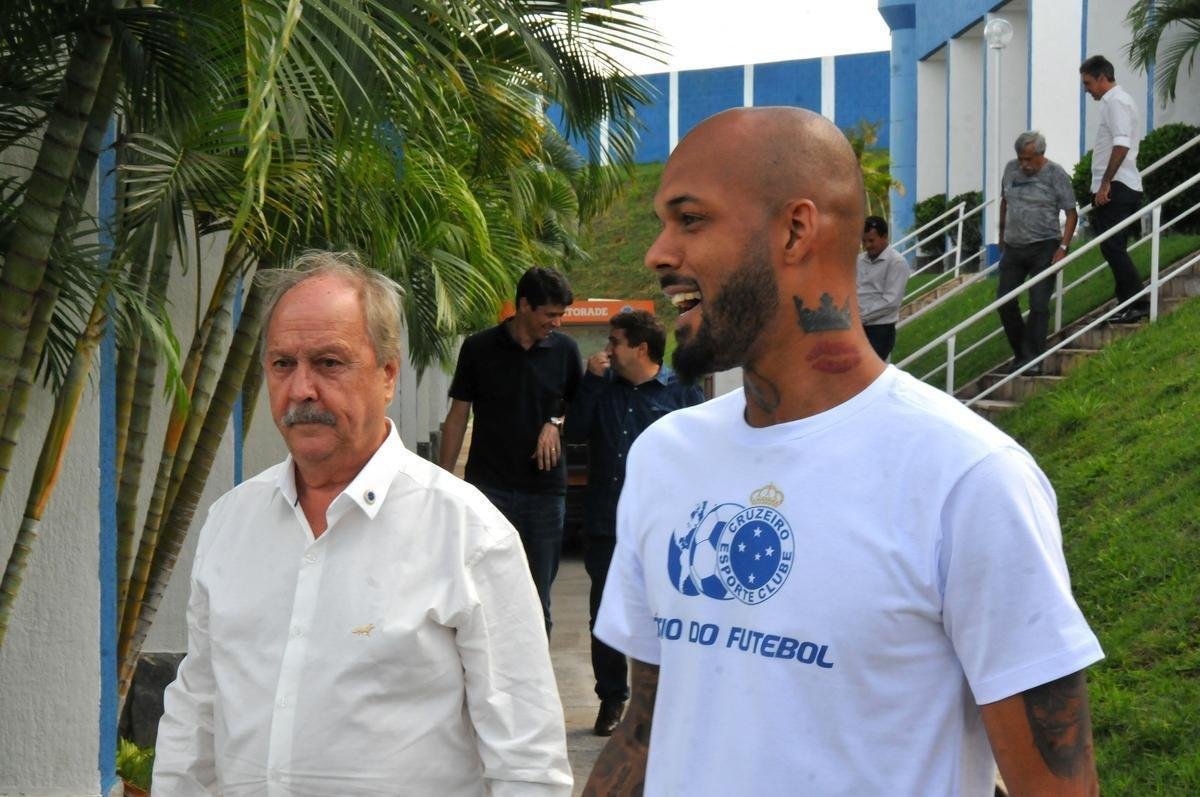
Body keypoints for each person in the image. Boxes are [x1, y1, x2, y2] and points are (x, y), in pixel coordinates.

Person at [584, 107, 1103, 796]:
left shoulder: (968, 479)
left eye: (690, 219)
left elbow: (1057, 786)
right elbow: (646, 728)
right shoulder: (665, 457)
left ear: (795, 229)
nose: (657, 252)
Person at [154, 252, 572, 796]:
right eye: (283, 364)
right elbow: (197, 711)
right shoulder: (231, 524)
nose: (301, 389)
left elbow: (527, 763)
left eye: (329, 362)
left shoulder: (468, 535)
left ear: (388, 374)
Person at [564, 310, 704, 737]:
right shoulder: (602, 388)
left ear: (641, 348)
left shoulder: (682, 393)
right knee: (605, 615)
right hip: (607, 521)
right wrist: (589, 382)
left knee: (670, 614)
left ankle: (667, 703)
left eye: (614, 342)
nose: (607, 350)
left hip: (665, 527)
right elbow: (575, 433)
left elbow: (702, 455)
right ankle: (611, 699)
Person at [439, 267, 582, 634]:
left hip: (545, 495)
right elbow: (457, 416)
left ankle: (534, 689)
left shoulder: (566, 351)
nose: (557, 322)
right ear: (523, 305)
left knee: (537, 601)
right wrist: (441, 480)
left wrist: (555, 423)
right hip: (489, 491)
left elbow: (578, 408)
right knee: (482, 596)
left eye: (560, 314)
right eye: (550, 314)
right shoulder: (479, 348)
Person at [996, 131, 1079, 374]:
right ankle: (1022, 353)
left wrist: (1063, 247)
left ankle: (1033, 359)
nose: (1024, 164)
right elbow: (1005, 202)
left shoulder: (1056, 174)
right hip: (1013, 246)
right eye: (1021, 159)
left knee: (1039, 303)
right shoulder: (1010, 170)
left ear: (1041, 155)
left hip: (1045, 245)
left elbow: (1071, 213)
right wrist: (1001, 236)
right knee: (1004, 300)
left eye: (1028, 159)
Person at [1081, 54, 1147, 323]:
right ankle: (1127, 303)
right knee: (1112, 246)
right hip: (1118, 185)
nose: (1086, 89)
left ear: (1102, 78)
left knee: (1112, 246)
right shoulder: (1116, 101)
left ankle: (1138, 302)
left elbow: (1121, 144)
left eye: (1087, 83)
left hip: (1118, 186)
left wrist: (1106, 182)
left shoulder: (1116, 102)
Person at [855, 215, 910, 360]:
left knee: (867, 375)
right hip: (855, 327)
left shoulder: (897, 262)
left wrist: (860, 317)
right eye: (864, 241)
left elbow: (891, 302)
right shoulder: (859, 260)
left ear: (885, 237)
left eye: (871, 240)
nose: (867, 245)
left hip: (879, 330)